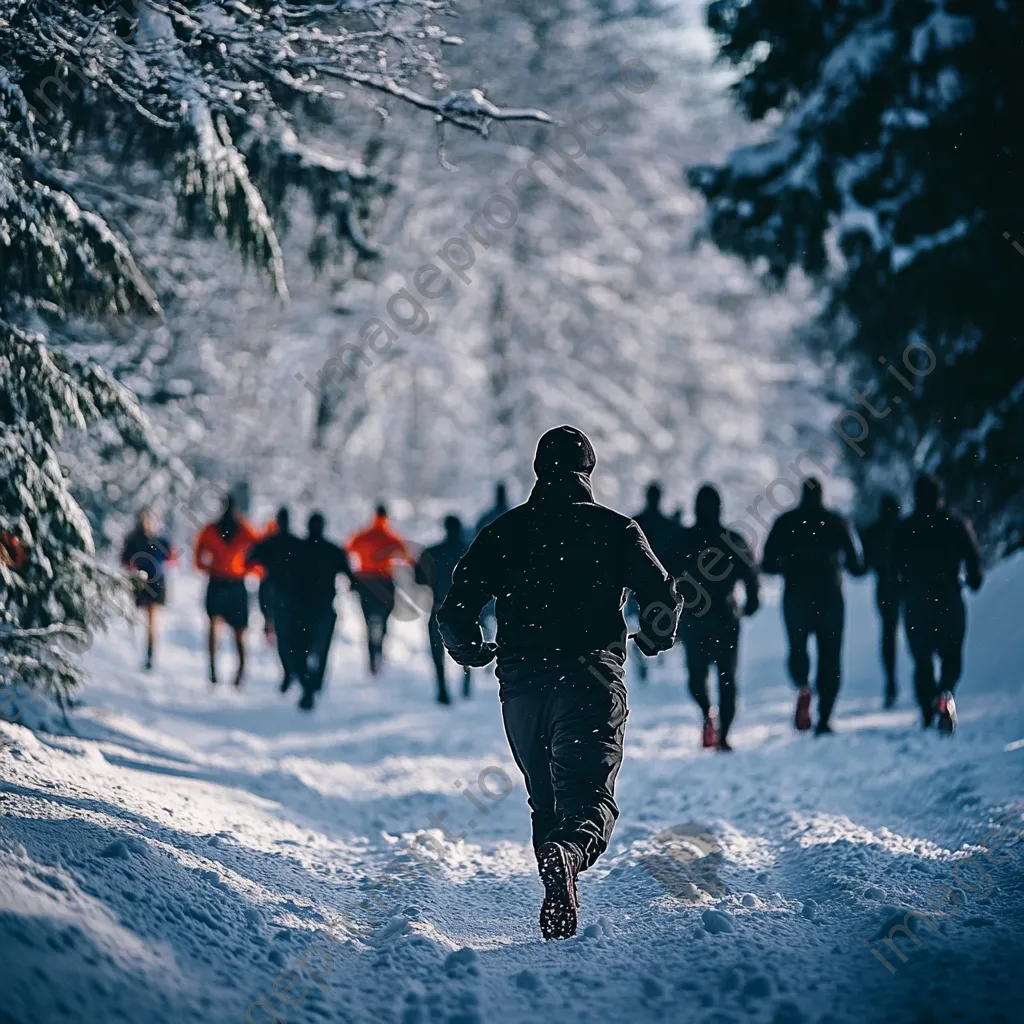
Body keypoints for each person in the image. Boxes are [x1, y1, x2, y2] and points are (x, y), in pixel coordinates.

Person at [437, 425, 681, 940]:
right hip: (591, 679)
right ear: (587, 472)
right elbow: (663, 596)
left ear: (538, 472)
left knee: (544, 799)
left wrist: (472, 651)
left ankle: (556, 878)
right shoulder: (618, 530)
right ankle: (568, 857)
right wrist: (654, 638)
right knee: (590, 798)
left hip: (522, 686)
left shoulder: (503, 532)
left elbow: (454, 609)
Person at [761, 478, 864, 735]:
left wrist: (789, 564)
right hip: (830, 596)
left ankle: (803, 686)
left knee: (798, 647)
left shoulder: (785, 522)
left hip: (796, 596)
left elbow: (767, 564)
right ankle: (825, 717)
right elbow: (856, 563)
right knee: (830, 655)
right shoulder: (837, 521)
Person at [890, 474, 983, 734]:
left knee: (922, 660)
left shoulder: (905, 528)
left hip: (917, 602)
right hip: (949, 599)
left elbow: (892, 565)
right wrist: (971, 581)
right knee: (951, 654)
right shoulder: (957, 525)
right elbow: (975, 568)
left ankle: (928, 709)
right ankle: (946, 692)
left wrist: (902, 589)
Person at [672, 485, 760, 751]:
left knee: (696, 676)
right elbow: (751, 576)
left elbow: (661, 576)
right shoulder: (733, 539)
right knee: (727, 678)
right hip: (726, 617)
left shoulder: (681, 540)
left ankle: (706, 711)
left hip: (692, 619)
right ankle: (724, 735)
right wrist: (751, 603)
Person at [194, 496, 261, 687]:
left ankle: (237, 671)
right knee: (219, 626)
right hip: (225, 582)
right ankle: (218, 670)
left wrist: (251, 569)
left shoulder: (242, 530)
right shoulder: (217, 529)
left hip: (230, 583)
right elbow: (198, 553)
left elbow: (259, 551)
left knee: (234, 630)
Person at [291, 512, 354, 710]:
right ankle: (314, 684)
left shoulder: (297, 549)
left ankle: (307, 685)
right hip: (324, 609)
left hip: (301, 609)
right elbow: (351, 578)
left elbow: (283, 578)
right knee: (322, 649)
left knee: (300, 648)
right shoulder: (333, 550)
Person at [346, 504, 410, 676]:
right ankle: (379, 652)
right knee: (384, 619)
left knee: (367, 621)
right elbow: (406, 556)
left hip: (365, 582)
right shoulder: (390, 537)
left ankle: (371, 659)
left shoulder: (362, 536)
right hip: (384, 583)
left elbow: (346, 550)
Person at [414, 515, 472, 705]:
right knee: (468, 646)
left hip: (439, 607)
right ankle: (466, 679)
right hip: (466, 610)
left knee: (437, 650)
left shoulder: (431, 552)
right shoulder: (471, 551)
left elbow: (418, 579)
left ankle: (442, 689)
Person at [246, 507, 303, 692]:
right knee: (289, 633)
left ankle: (289, 669)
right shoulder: (295, 543)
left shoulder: (269, 542)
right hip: (291, 594)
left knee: (282, 633)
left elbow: (249, 559)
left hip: (274, 592)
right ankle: (292, 668)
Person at [860, 493, 903, 708]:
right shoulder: (907, 529)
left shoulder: (874, 532)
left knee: (888, 634)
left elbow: (862, 565)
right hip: (911, 586)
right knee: (922, 635)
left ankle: (891, 683)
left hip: (885, 587)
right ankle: (930, 682)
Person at [120, 509, 175, 670]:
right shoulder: (132, 540)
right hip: (140, 582)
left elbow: (172, 559)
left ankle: (150, 654)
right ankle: (137, 651)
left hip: (157, 582)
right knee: (140, 620)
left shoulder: (161, 540)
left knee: (152, 620)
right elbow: (125, 560)